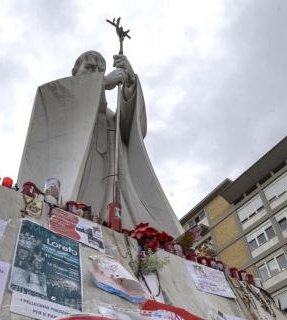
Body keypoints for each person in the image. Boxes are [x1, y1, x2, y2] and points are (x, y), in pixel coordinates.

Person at [17, 50, 181, 234]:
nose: (96, 73)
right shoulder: (61, 100)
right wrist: (101, 83)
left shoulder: (112, 119)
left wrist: (130, 83)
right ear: (75, 71)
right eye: (89, 68)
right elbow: (50, 98)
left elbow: (135, 130)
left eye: (100, 70)